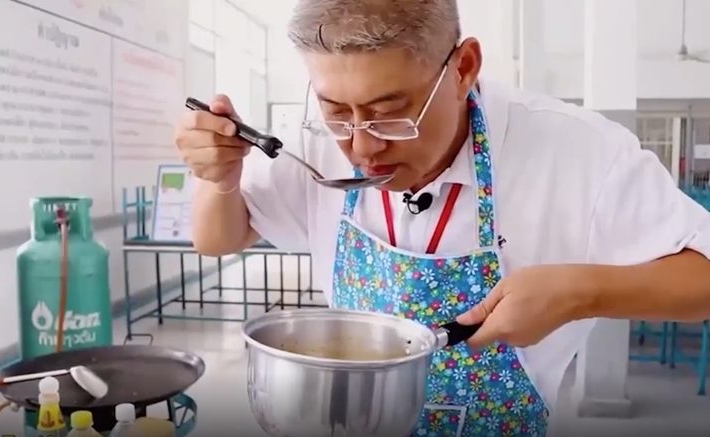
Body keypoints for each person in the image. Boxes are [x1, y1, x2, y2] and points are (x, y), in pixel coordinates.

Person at [175, 0, 710, 435]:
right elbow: (218, 238)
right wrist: (219, 178)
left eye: (390, 114)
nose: (361, 147)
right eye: (336, 111)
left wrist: (580, 292)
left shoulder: (579, 152)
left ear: (463, 68)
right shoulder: (313, 145)